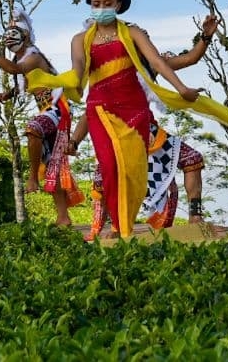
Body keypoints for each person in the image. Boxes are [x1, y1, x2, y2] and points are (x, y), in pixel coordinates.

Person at [69, 14, 219, 237]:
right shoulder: (105, 75)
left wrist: (205, 36)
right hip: (117, 134)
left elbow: (190, 59)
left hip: (149, 133)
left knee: (192, 159)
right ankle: (111, 227)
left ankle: (195, 216)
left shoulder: (152, 64)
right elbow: (89, 112)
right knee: (109, 176)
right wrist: (74, 140)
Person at [0, 9, 83, 227]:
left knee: (33, 129)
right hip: (46, 109)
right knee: (51, 165)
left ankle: (32, 179)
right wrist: (6, 95)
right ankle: (63, 218)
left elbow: (14, 69)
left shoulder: (34, 57)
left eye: (15, 32)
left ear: (25, 36)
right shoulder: (24, 59)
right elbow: (21, 83)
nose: (10, 37)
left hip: (57, 109)